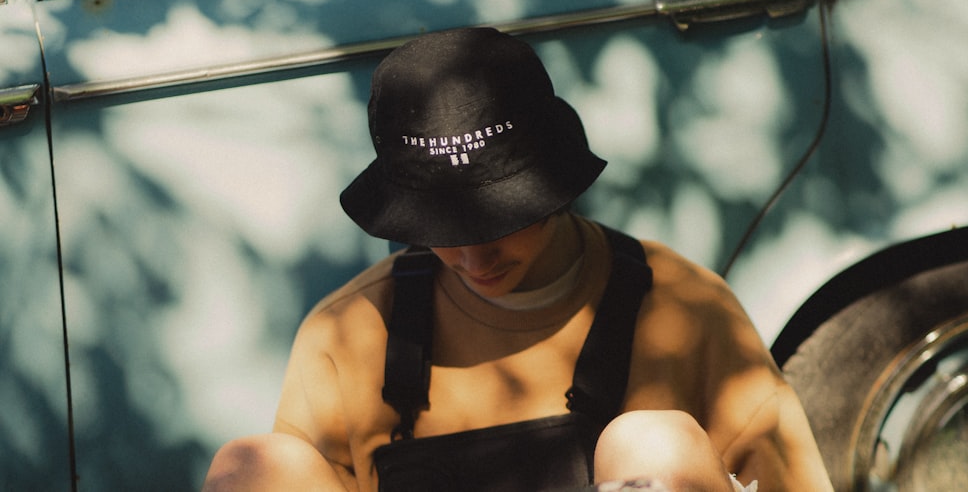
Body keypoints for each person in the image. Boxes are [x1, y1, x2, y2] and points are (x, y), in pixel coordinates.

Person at [202, 27, 833, 492]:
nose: (475, 256)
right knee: (252, 467)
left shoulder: (681, 306)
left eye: (505, 221)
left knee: (653, 443)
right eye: (442, 231)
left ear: (554, 187)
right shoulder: (350, 333)